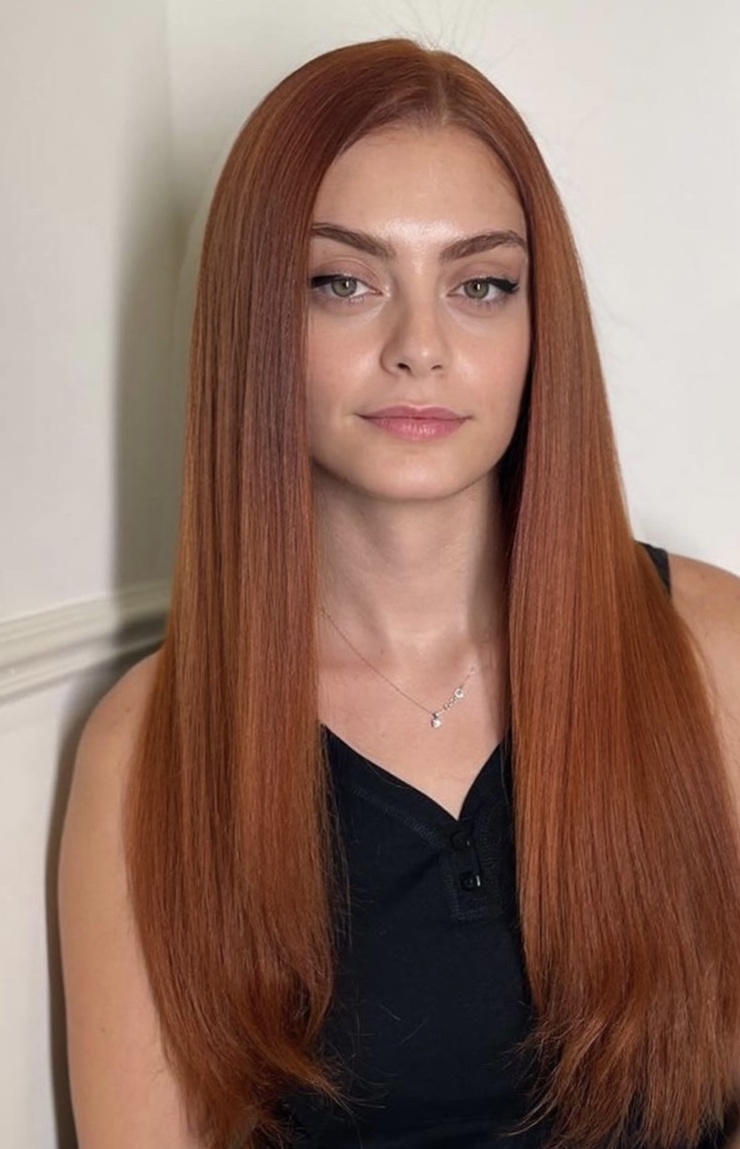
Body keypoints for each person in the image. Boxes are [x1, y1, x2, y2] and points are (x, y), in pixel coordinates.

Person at [58, 37, 740, 1149]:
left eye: (480, 285)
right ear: (257, 320)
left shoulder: (712, 651)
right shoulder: (147, 753)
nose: (419, 346)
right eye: (343, 282)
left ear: (538, 324)